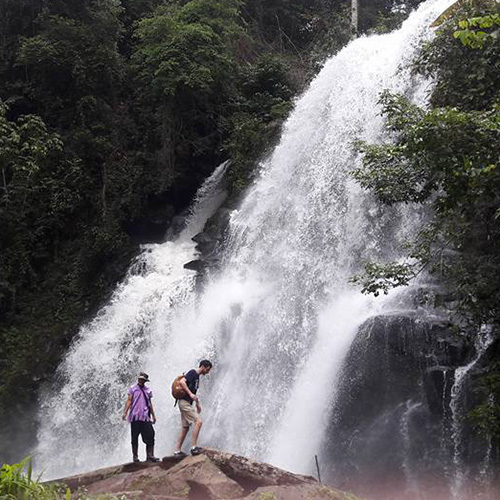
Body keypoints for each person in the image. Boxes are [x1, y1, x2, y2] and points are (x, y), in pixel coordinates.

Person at [174, 360, 212, 457]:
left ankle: (177, 451)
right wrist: (190, 394)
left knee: (185, 428)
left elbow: (194, 393)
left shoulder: (197, 377)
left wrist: (198, 404)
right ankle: (194, 448)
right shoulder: (193, 373)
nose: (208, 372)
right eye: (207, 369)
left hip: (187, 403)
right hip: (184, 403)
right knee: (198, 422)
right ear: (203, 366)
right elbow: (182, 382)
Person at [122, 372, 159, 463]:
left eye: (143, 379)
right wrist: (125, 412)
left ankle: (150, 456)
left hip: (145, 417)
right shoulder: (133, 389)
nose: (141, 380)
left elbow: (150, 404)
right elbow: (129, 400)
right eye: (140, 379)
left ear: (145, 381)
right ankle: (135, 457)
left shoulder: (148, 390)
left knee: (150, 435)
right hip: (135, 416)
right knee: (134, 437)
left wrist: (153, 416)